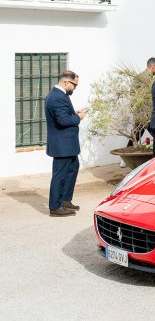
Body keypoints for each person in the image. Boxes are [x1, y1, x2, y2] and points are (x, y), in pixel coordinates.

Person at [45, 70, 86, 217]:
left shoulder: (60, 95)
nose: (75, 88)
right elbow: (62, 121)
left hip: (67, 145)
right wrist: (78, 118)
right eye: (74, 85)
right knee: (60, 175)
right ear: (66, 82)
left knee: (72, 168)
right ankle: (55, 207)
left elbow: (63, 115)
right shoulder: (57, 97)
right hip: (62, 145)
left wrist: (74, 113)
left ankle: (65, 200)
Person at [127, 57, 155, 147]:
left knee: (136, 136)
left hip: (148, 113)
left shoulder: (153, 78)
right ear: (153, 67)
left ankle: (127, 154)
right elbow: (134, 94)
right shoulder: (141, 78)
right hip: (144, 114)